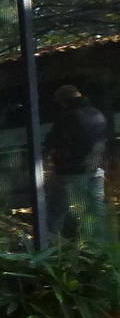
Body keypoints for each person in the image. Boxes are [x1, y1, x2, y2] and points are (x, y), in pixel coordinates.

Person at [46, 84, 111, 241]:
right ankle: (101, 249)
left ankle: (52, 246)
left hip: (71, 172)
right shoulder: (97, 114)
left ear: (63, 101)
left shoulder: (67, 117)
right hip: (96, 171)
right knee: (96, 212)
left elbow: (51, 141)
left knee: (55, 209)